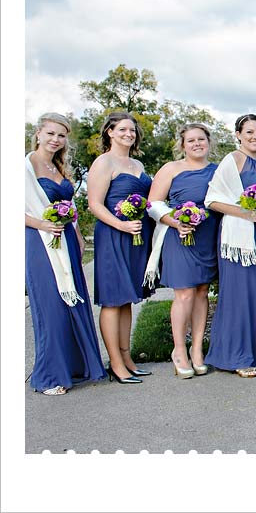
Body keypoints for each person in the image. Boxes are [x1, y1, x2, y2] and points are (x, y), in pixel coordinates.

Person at [25, 113, 106, 395]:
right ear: (38, 134)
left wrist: (79, 237)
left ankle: (74, 366)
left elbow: (68, 206)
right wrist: (42, 224)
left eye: (61, 135)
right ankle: (49, 375)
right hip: (39, 241)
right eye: (50, 134)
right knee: (51, 306)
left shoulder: (57, 166)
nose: (55, 140)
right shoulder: (24, 167)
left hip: (66, 239)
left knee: (72, 301)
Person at [145, 123, 219, 379]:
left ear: (209, 142)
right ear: (182, 145)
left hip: (208, 235)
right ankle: (179, 351)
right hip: (180, 235)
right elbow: (153, 204)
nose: (197, 144)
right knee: (185, 293)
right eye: (191, 140)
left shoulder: (217, 171)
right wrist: (175, 222)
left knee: (201, 293)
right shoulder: (171, 169)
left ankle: (197, 350)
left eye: (201, 139)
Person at [88, 111, 155, 384]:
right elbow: (95, 204)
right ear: (110, 132)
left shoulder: (137, 163)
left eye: (132, 130)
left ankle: (127, 358)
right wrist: (121, 225)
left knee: (127, 298)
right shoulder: (103, 162)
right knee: (113, 299)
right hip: (114, 235)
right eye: (123, 129)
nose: (129, 134)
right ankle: (115, 363)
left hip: (137, 237)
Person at [204, 114, 256, 378]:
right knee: (238, 295)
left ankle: (255, 352)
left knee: (255, 294)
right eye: (250, 132)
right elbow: (212, 200)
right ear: (238, 134)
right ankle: (235, 356)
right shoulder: (233, 159)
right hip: (237, 236)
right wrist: (244, 214)